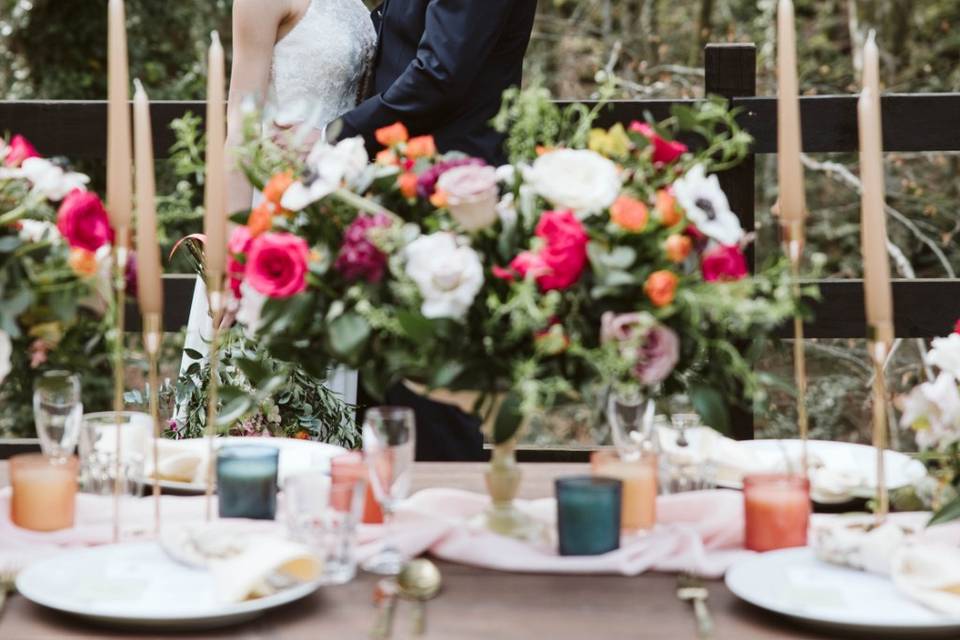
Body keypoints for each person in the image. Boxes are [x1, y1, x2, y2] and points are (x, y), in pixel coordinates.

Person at [339, 0, 538, 460]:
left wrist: (339, 133)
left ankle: (448, 518)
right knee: (402, 395)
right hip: (411, 189)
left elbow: (439, 74)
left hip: (449, 197)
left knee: (433, 397)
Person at [179, 0, 376, 406]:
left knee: (322, 404)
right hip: (273, 209)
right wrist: (230, 262)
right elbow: (240, 129)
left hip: (333, 214)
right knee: (257, 392)